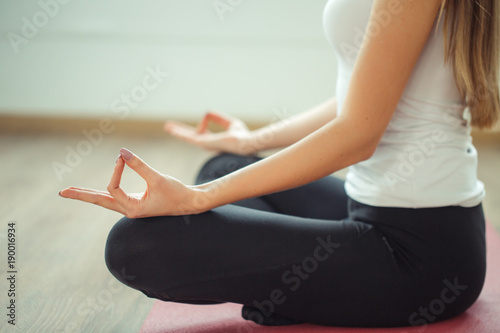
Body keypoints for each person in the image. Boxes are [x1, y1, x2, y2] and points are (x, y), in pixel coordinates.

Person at [60, 0, 499, 327]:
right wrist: (252, 139)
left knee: (134, 247)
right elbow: (360, 97)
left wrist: (198, 200)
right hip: (363, 207)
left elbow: (358, 135)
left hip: (422, 254)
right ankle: (303, 289)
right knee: (224, 165)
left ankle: (300, 289)